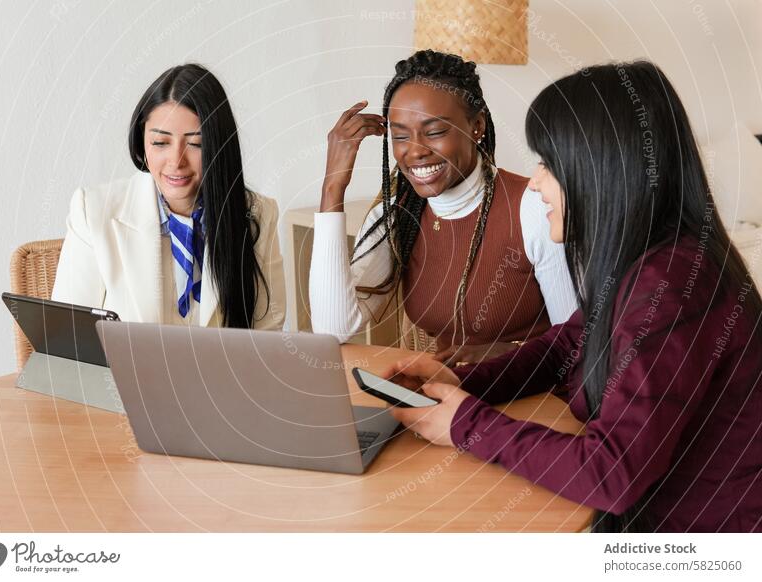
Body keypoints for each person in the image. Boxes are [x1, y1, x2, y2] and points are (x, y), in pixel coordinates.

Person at [383, 61, 762, 532]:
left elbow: (614, 473)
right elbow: (566, 345)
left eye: (548, 163)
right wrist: (463, 383)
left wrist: (467, 424)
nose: (536, 182)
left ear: (602, 167)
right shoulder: (645, 257)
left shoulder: (673, 285)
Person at [310, 49, 576, 365]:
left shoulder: (536, 207)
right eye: (400, 136)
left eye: (435, 132)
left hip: (532, 399)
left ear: (477, 127)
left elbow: (575, 347)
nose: (416, 151)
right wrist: (332, 188)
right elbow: (332, 329)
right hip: (447, 397)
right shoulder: (399, 212)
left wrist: (509, 353)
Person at [53, 64, 285, 329]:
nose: (176, 161)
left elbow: (268, 336)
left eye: (196, 144)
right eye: (161, 143)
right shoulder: (93, 211)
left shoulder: (257, 213)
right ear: (142, 142)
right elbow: (68, 341)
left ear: (220, 146)